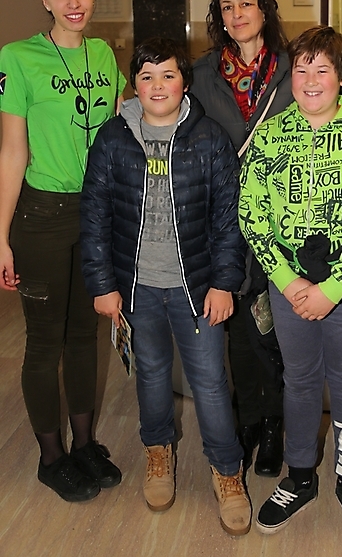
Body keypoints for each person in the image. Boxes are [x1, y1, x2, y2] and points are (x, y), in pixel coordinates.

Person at [80, 38, 252, 536]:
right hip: (137, 289)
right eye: (147, 77)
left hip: (195, 289)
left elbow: (229, 220)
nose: (158, 86)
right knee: (152, 374)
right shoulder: (113, 138)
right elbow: (94, 215)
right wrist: (103, 284)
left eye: (168, 75)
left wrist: (224, 283)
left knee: (211, 382)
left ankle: (227, 471)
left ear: (185, 82)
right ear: (134, 85)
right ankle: (158, 453)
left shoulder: (210, 139)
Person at [239, 26, 342, 540]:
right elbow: (252, 212)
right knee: (300, 378)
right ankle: (300, 474)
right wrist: (286, 281)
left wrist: (332, 289)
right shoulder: (270, 135)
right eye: (301, 68)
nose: (309, 79)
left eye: (322, 69)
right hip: (288, 287)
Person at [0, 0, 125, 502]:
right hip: (43, 216)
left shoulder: (104, 54)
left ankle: (84, 444)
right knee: (45, 341)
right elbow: (11, 152)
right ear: (44, 0)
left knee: (85, 335)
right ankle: (51, 457)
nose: (74, 3)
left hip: (95, 214)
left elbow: (118, 134)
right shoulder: (17, 58)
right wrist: (0, 237)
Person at [192, 0, 293, 477]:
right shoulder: (201, 73)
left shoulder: (294, 68)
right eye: (226, 7)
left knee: (273, 327)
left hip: (282, 221)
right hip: (223, 221)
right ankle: (248, 418)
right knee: (235, 324)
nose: (237, 15)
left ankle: (274, 423)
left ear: (264, 8)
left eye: (246, 3)